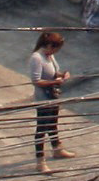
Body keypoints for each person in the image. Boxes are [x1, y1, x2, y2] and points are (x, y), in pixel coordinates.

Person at [30, 30, 70, 167]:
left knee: (53, 124)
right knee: (41, 129)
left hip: (53, 95)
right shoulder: (37, 58)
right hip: (43, 98)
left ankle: (57, 149)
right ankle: (40, 161)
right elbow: (36, 81)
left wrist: (62, 75)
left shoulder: (49, 56)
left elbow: (53, 72)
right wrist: (55, 82)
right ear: (48, 46)